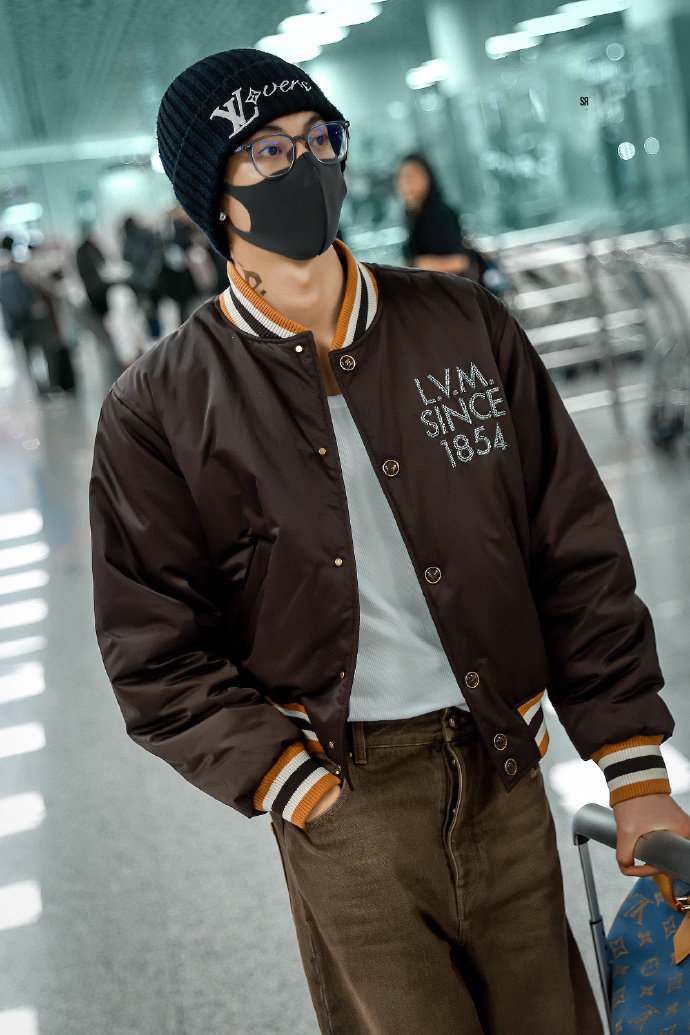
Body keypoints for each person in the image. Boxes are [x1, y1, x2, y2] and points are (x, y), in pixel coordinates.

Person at [89, 49, 690, 1035]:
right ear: (213, 195)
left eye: (321, 139)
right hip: (343, 795)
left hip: (501, 762)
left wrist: (632, 768)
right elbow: (153, 651)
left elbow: (573, 553)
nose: (307, 166)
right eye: (269, 151)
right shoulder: (159, 407)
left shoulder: (462, 326)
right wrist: (293, 786)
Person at [396, 153, 470, 275]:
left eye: (412, 176)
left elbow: (460, 262)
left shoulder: (440, 213)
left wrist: (417, 265)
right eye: (401, 177)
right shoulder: (412, 215)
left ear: (427, 178)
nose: (406, 183)